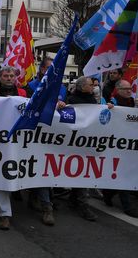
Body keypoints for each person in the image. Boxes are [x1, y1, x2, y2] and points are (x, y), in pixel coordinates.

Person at [0, 66, 27, 230]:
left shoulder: (22, 94)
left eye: (11, 76)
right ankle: (5, 214)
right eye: (5, 75)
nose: (8, 78)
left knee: (11, 172)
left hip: (17, 140)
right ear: (0, 77)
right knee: (3, 172)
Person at [57, 76, 99, 221]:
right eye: (90, 85)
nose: (93, 87)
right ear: (82, 87)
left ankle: (77, 200)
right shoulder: (72, 101)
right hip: (74, 141)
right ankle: (80, 203)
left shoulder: (93, 100)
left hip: (87, 141)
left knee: (83, 171)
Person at [104, 80, 138, 217]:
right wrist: (107, 109)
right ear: (118, 89)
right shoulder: (112, 103)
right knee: (122, 173)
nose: (129, 91)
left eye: (130, 88)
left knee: (125, 173)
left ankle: (108, 193)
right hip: (116, 144)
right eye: (125, 88)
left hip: (132, 144)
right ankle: (127, 205)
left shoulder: (135, 103)